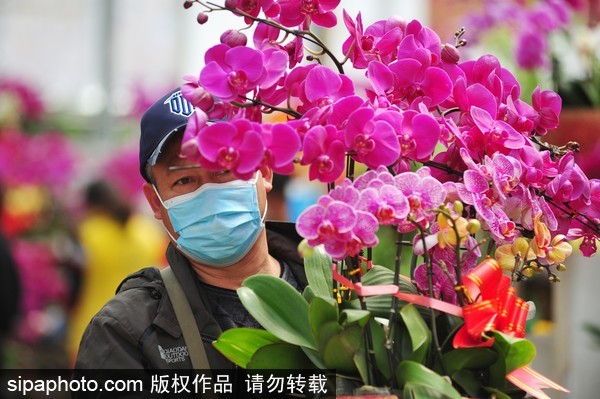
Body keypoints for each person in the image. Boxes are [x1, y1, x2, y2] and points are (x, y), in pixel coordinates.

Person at [74, 88, 307, 374]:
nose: (209, 191)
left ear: (265, 171)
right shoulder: (125, 333)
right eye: (184, 179)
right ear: (155, 202)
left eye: (224, 169)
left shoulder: (338, 294)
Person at [66, 179, 167, 363]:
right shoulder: (146, 229)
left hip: (92, 325)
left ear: (92, 205)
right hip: (148, 326)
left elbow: (73, 279)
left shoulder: (89, 231)